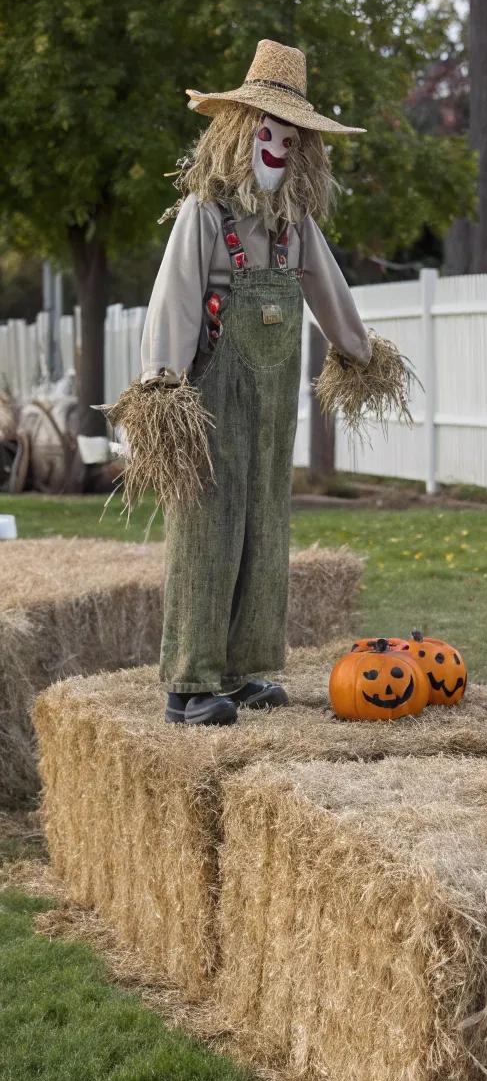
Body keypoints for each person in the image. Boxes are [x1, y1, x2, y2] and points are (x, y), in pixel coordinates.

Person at [115, 39, 376, 726]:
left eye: (290, 139)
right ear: (239, 131)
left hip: (270, 404)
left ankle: (243, 668)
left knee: (265, 522)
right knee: (208, 527)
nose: (277, 147)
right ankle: (190, 681)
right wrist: (163, 383)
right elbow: (173, 299)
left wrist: (359, 352)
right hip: (207, 398)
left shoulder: (295, 227)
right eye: (268, 131)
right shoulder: (206, 213)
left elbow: (329, 292)